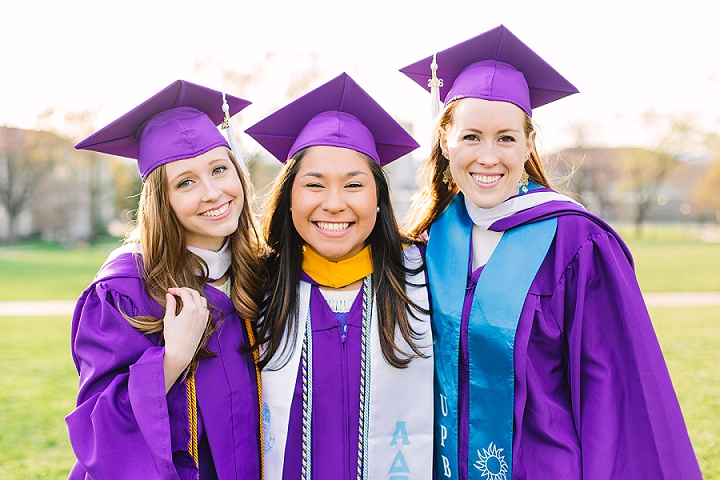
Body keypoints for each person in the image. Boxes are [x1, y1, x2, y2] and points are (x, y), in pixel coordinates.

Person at [400, 25, 701, 479]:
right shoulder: (428, 240)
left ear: (528, 143)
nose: (488, 156)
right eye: (470, 137)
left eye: (505, 137)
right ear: (445, 142)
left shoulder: (577, 244)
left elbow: (617, 392)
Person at [66, 79, 264, 479]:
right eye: (185, 182)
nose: (213, 192)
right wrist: (171, 358)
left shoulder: (259, 271)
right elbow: (98, 432)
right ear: (162, 200)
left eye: (219, 169)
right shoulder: (123, 290)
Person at [245, 72, 434, 479]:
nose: (334, 204)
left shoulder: (428, 280)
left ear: (380, 199)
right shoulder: (253, 290)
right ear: (289, 197)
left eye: (353, 185)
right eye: (314, 185)